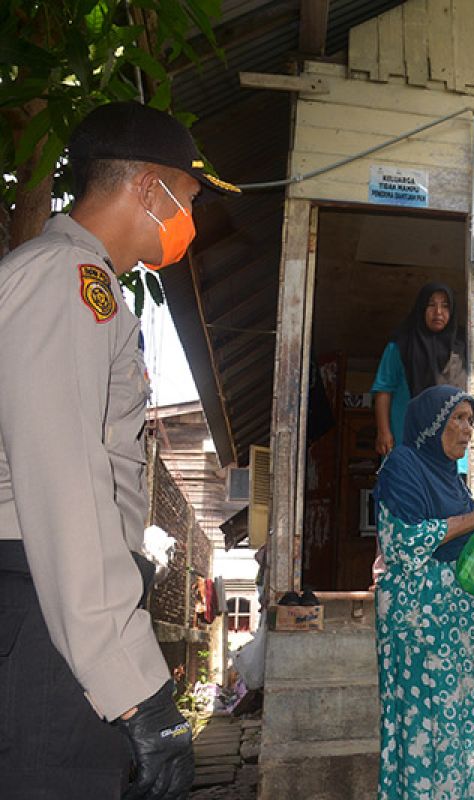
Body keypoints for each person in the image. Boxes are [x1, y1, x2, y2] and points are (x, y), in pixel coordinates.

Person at [0, 101, 237, 798]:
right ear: (147, 188)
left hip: (55, 607)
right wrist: (136, 691)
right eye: (188, 198)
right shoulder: (64, 281)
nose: (191, 218)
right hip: (46, 603)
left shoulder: (77, 282)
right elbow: (66, 492)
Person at [373, 384, 474, 799]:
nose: (468, 429)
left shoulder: (454, 480)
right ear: (431, 424)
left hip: (462, 627)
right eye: (458, 418)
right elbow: (404, 543)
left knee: (464, 725)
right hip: (423, 624)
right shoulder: (404, 464)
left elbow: (465, 543)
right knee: (429, 723)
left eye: (471, 420)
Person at [372, 282, 468, 458]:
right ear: (420, 308)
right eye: (431, 305)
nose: (438, 312)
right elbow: (383, 390)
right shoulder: (400, 346)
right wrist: (384, 432)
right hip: (407, 440)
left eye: (445, 306)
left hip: (450, 447)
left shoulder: (462, 349)